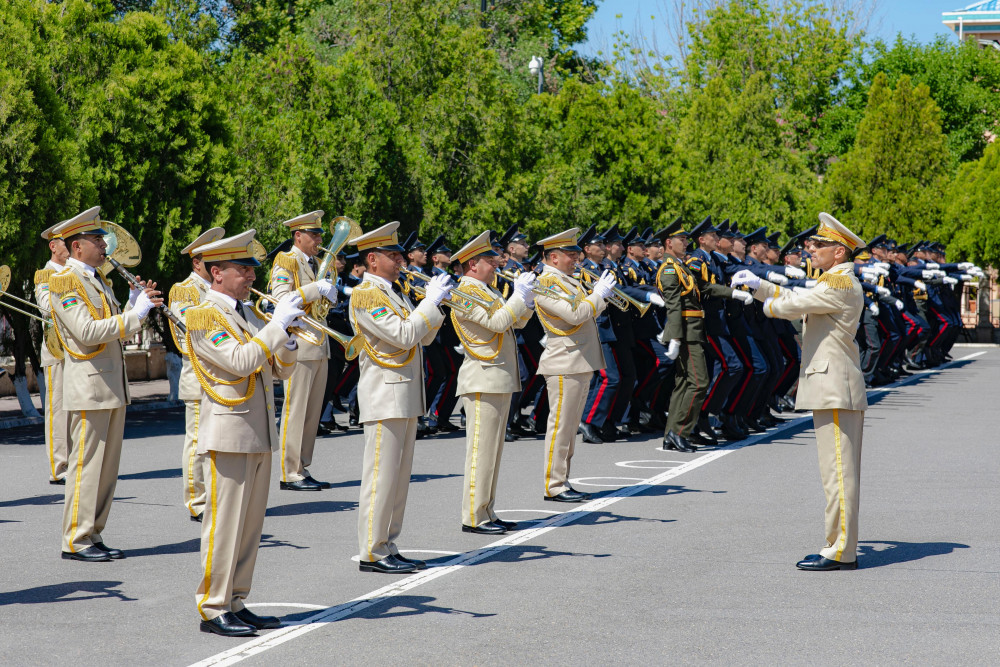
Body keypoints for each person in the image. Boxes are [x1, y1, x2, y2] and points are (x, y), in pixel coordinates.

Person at [731, 212, 867, 571]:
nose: (812, 250)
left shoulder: (839, 284)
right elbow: (801, 294)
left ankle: (840, 550)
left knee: (838, 472)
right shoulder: (833, 281)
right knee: (835, 473)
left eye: (820, 245)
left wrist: (765, 302)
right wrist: (759, 285)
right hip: (834, 385)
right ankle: (836, 544)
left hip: (836, 386)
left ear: (839, 252)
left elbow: (795, 303)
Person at [185, 229, 303, 636]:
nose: (252, 276)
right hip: (230, 431)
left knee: (250, 526)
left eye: (252, 268)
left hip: (256, 429)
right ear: (217, 273)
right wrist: (276, 330)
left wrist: (287, 335)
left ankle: (236, 599)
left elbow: (278, 369)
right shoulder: (203, 315)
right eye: (242, 268)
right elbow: (239, 361)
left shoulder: (247, 313)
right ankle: (213, 605)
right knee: (224, 524)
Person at [47, 207, 161, 562]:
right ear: (76, 247)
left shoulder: (98, 281)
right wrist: (137, 314)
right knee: (87, 466)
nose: (104, 244)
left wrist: (132, 302)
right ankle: (76, 539)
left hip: (111, 385)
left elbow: (113, 326)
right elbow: (87, 332)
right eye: (96, 240)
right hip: (91, 386)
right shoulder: (65, 282)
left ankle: (93, 532)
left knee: (107, 469)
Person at [349, 221, 451, 573]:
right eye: (393, 255)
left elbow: (422, 338)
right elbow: (404, 334)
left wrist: (434, 306)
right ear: (373, 260)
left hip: (404, 393)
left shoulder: (395, 292)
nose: (401, 260)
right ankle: (372, 551)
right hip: (384, 394)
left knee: (399, 477)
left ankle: (388, 544)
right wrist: (429, 306)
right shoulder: (366, 295)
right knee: (381, 476)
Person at [450, 231, 535, 534]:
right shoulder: (464, 293)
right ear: (473, 264)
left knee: (493, 453)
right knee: (480, 452)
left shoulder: (488, 290)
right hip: (483, 378)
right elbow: (498, 322)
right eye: (489, 260)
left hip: (498, 377)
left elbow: (517, 321)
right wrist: (516, 297)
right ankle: (473, 516)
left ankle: (487, 510)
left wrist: (526, 300)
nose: (497, 264)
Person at [533, 228, 616, 502]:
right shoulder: (546, 283)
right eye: (570, 254)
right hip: (563, 362)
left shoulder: (566, 280)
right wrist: (598, 296)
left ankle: (563, 480)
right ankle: (553, 485)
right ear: (553, 257)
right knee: (560, 427)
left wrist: (596, 298)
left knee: (569, 428)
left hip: (578, 360)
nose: (576, 259)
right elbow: (576, 314)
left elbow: (585, 309)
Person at [269, 211, 338, 491]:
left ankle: (302, 467)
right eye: (314, 234)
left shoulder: (317, 263)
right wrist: (315, 289)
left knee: (311, 412)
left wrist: (328, 295)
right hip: (299, 343)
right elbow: (281, 298)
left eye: (320, 234)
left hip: (319, 343)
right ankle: (289, 471)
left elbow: (319, 307)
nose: (319, 239)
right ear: (298, 236)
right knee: (295, 410)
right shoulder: (286, 260)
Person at [168, 227, 226, 522]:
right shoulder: (185, 291)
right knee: (197, 443)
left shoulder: (220, 290)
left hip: (222, 379)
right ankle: (197, 500)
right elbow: (186, 335)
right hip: (197, 376)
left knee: (216, 442)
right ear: (196, 262)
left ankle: (215, 496)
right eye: (211, 258)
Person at [34, 222, 70, 485]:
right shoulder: (45, 275)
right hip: (57, 350)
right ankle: (59, 466)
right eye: (65, 242)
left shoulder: (76, 273)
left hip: (79, 349)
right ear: (53, 246)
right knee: (58, 411)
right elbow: (46, 307)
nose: (70, 246)